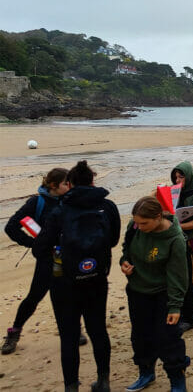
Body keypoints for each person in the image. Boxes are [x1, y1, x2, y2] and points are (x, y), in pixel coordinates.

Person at [32, 161, 120, 392]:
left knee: (69, 336)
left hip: (64, 281)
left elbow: (39, 249)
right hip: (97, 278)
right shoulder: (108, 207)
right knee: (98, 329)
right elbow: (113, 240)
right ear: (93, 181)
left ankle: (71, 387)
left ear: (69, 184)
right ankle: (103, 381)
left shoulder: (59, 211)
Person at [120, 196, 190, 392]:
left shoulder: (175, 239)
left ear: (158, 217)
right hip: (137, 291)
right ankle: (146, 372)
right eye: (137, 222)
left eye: (145, 223)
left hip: (164, 294)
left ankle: (177, 379)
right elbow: (126, 249)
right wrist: (124, 262)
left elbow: (178, 276)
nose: (140, 227)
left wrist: (175, 306)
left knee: (168, 338)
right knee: (141, 336)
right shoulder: (134, 227)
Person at [2, 168, 73, 355]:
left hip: (67, 257)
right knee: (34, 297)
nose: (70, 186)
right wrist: (34, 244)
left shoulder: (70, 200)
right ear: (53, 185)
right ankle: (14, 332)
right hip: (47, 259)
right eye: (66, 183)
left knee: (68, 295)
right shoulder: (37, 202)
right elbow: (11, 227)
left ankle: (74, 329)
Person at [170, 161, 193, 333]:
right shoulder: (171, 193)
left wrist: (178, 225)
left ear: (189, 176)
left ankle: (191, 317)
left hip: (188, 241)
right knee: (173, 278)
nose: (178, 180)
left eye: (181, 176)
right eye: (175, 177)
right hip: (171, 240)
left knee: (188, 278)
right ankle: (175, 313)